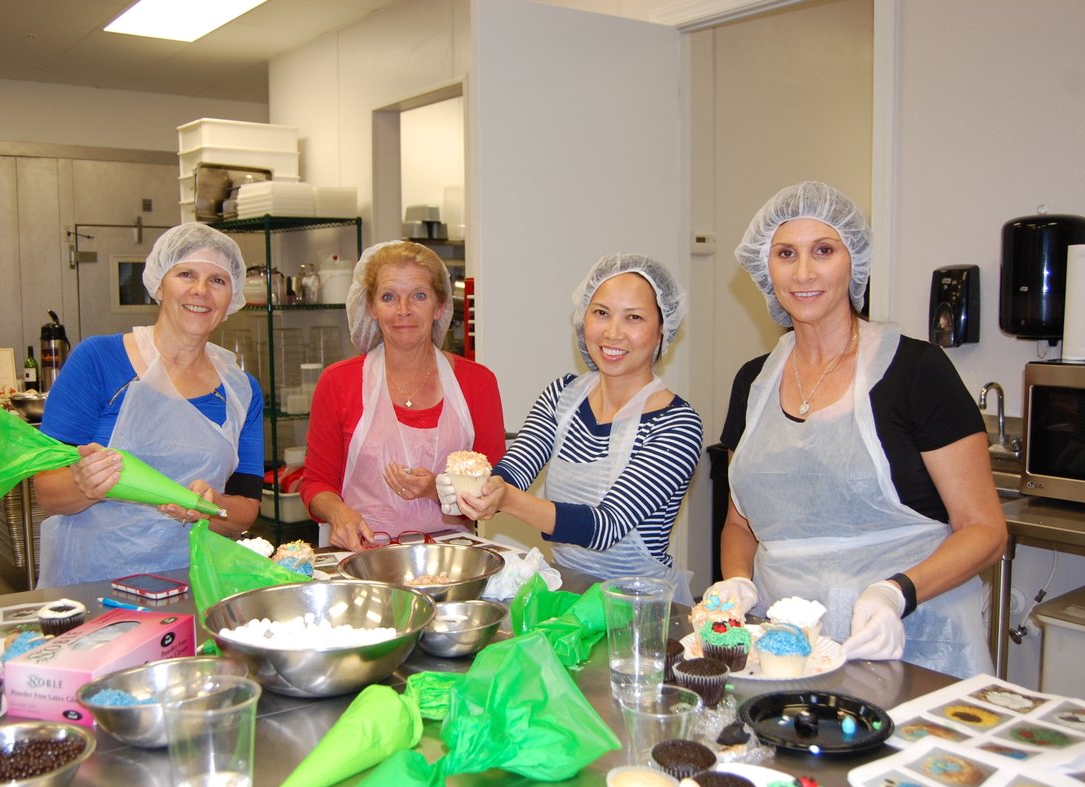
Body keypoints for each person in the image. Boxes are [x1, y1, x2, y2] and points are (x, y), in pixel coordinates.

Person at [704, 181, 1006, 678]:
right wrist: (737, 583)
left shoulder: (916, 370)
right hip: (789, 649)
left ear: (854, 261)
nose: (804, 272)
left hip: (911, 639)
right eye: (786, 253)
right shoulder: (753, 383)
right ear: (766, 267)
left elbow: (985, 530)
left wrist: (896, 592)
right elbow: (741, 524)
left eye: (823, 250)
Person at [438, 253, 703, 603]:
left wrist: (505, 499)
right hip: (567, 590)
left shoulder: (677, 424)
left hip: (640, 604)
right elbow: (515, 469)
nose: (612, 332)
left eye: (634, 317)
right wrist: (474, 488)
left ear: (661, 331)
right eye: (601, 313)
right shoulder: (562, 396)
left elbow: (605, 526)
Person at [34, 222, 264, 587]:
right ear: (159, 285)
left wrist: (210, 506)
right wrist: (86, 484)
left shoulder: (241, 391)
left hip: (194, 583)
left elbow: (245, 509)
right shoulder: (98, 361)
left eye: (217, 280)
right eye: (186, 274)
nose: (201, 290)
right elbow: (47, 491)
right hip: (93, 584)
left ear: (231, 298)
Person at [301, 241, 506, 551]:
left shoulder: (477, 383)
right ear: (371, 307)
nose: (403, 310)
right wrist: (339, 513)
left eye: (419, 296)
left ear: (440, 306)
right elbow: (316, 482)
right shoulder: (338, 382)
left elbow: (497, 489)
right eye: (388, 297)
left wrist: (438, 490)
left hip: (451, 558)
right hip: (363, 556)